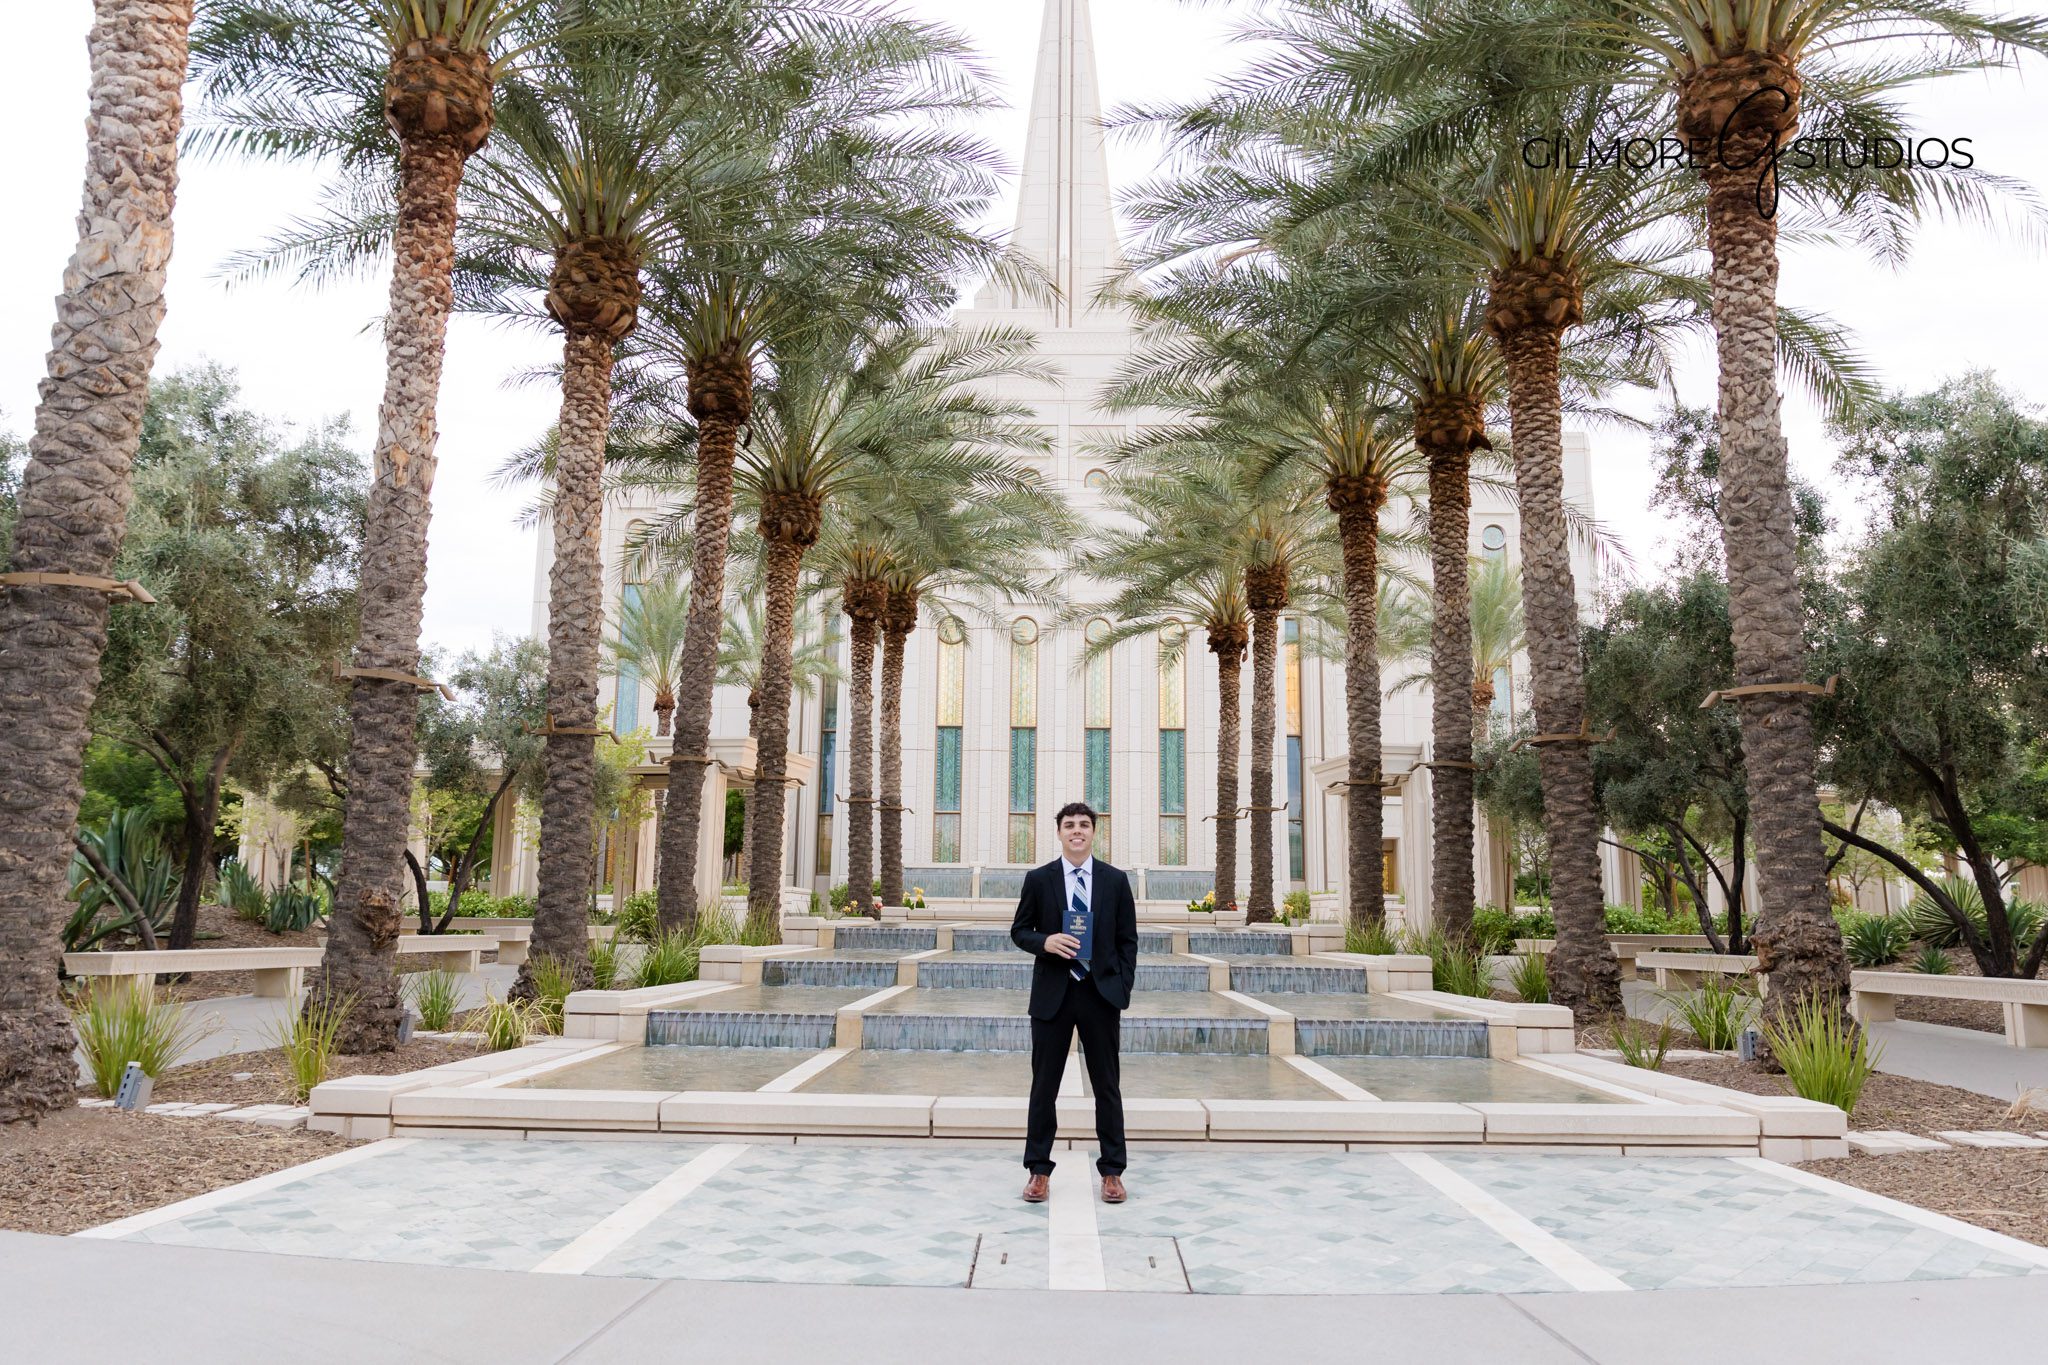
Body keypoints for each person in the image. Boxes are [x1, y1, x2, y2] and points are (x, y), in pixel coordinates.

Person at [1010, 801, 1138, 1204]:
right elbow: (1019, 931)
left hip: (1100, 995)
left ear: (1094, 832)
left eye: (1084, 824)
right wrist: (1045, 942)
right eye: (1069, 825)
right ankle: (1038, 1171)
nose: (1077, 830)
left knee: (1107, 1087)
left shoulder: (1115, 881)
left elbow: (1128, 941)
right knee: (1043, 1088)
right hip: (1054, 994)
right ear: (1060, 832)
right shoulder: (1039, 879)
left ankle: (1113, 1172)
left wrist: (1122, 988)